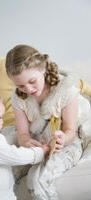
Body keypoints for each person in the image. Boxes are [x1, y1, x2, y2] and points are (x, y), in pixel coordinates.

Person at [5, 44, 91, 200]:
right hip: (36, 142)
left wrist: (62, 139)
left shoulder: (65, 90)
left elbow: (70, 130)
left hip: (65, 145)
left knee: (37, 179)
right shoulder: (18, 97)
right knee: (5, 172)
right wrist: (26, 142)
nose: (29, 90)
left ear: (43, 68)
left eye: (32, 81)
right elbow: (23, 133)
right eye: (21, 86)